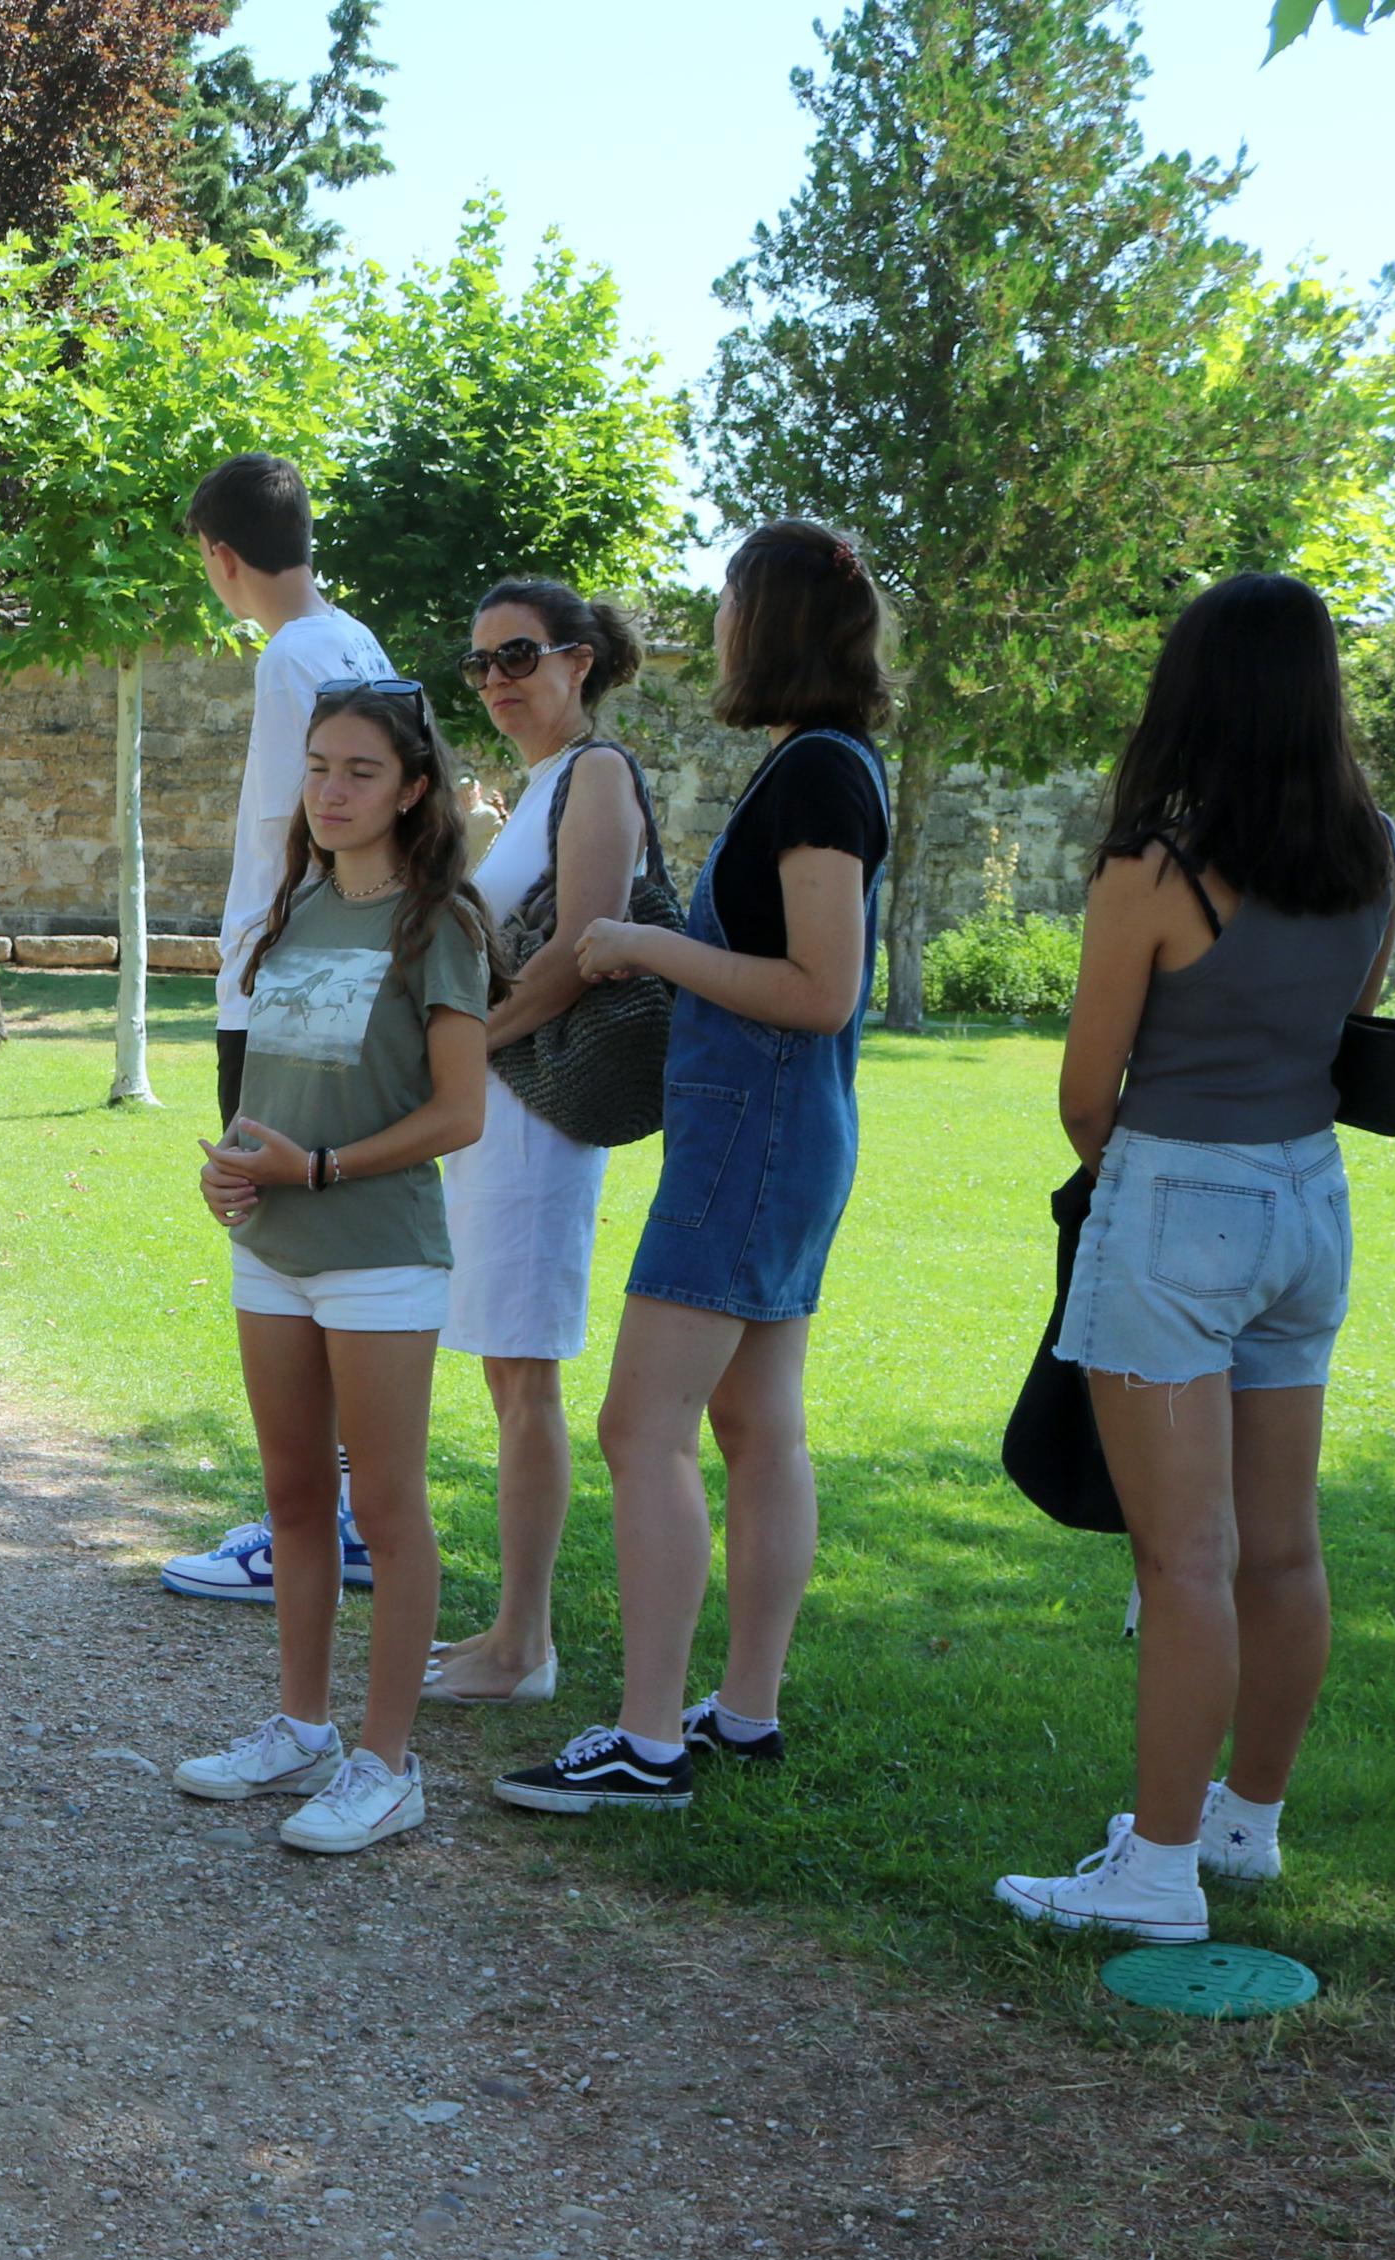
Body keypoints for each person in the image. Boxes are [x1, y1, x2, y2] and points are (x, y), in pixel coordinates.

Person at [994, 576, 1390, 1942]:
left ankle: (1154, 1870)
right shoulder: (1366, 851)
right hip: (1306, 1195)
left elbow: (1084, 1088)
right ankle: (1242, 1821)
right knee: (1277, 1547)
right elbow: (1345, 1021)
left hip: (1174, 1193)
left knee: (1183, 1557)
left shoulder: (1152, 867)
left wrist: (1122, 1177)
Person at [496, 521, 891, 1815]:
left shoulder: (816, 777)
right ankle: (743, 1711)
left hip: (750, 1135)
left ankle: (646, 1738)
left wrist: (638, 946)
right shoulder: (821, 765)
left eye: (727, 602)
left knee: (636, 1425)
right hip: (779, 1136)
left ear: (764, 621)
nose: (713, 624)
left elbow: (821, 989)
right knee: (752, 1427)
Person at [172, 683, 491, 1855]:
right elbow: (264, 1100)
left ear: (412, 789)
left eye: (359, 771)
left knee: (387, 1509)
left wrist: (320, 1166)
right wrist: (233, 1170)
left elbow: (458, 1113)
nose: (330, 791)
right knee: (296, 1501)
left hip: (378, 1255)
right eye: (316, 768)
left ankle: (384, 1762)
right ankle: (298, 1727)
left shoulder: (438, 925)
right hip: (275, 1250)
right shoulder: (292, 912)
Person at [161, 454, 399, 1609]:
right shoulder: (356, 639)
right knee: (330, 1243)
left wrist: (268, 970)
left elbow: (293, 826)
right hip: (346, 974)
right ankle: (338, 1510)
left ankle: (311, 1522)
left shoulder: (288, 658)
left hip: (279, 984)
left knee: (276, 1249)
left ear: (218, 557)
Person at [427, 583, 655, 1708]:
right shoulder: (539, 787)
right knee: (506, 1370)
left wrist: (469, 1050)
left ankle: (524, 1648)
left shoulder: (597, 774)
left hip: (537, 1108)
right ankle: (511, 1629)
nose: (495, 679)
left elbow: (583, 949)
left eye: (515, 655)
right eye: (478, 664)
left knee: (524, 1377)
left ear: (577, 660)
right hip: (500, 1108)